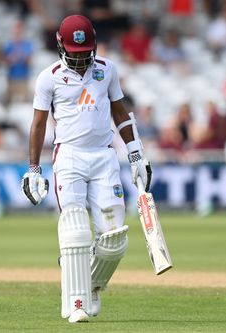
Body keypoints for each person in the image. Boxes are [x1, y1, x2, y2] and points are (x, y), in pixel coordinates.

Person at [21, 15, 152, 323]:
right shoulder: (48, 77)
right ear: (59, 47)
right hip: (69, 157)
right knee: (76, 231)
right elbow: (39, 124)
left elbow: (120, 113)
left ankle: (88, 281)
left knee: (114, 239)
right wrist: (33, 169)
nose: (80, 60)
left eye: (84, 53)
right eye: (74, 54)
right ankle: (76, 303)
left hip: (104, 157)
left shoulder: (107, 70)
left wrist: (136, 154)